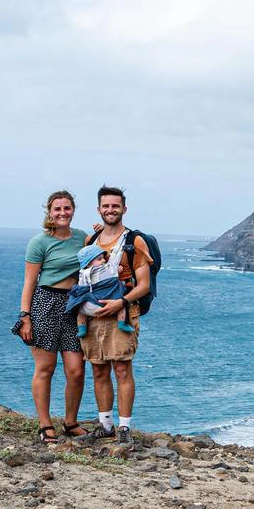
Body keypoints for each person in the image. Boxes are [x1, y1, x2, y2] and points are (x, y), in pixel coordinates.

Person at [12, 190, 90, 443]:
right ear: (49, 212)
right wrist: (25, 316)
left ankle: (70, 422)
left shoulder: (83, 238)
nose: (62, 213)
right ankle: (45, 424)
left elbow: (103, 252)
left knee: (76, 370)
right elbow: (29, 283)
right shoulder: (39, 242)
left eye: (67, 208)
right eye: (57, 209)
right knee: (45, 368)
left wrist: (99, 231)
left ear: (73, 210)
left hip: (75, 306)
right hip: (45, 303)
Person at [80, 185, 152, 446]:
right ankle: (105, 424)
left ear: (124, 208)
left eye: (115, 206)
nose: (110, 210)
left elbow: (143, 284)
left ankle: (124, 427)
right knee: (98, 371)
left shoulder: (134, 242)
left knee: (122, 370)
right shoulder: (91, 242)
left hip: (122, 312)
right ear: (99, 209)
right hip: (94, 315)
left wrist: (120, 302)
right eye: (106, 206)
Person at [67, 244, 134, 338]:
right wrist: (118, 271)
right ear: (89, 263)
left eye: (103, 258)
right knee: (122, 305)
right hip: (106, 304)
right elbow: (112, 274)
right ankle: (121, 323)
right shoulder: (105, 268)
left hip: (89, 305)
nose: (103, 260)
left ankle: (82, 328)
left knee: (81, 311)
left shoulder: (82, 273)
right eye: (99, 259)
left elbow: (81, 287)